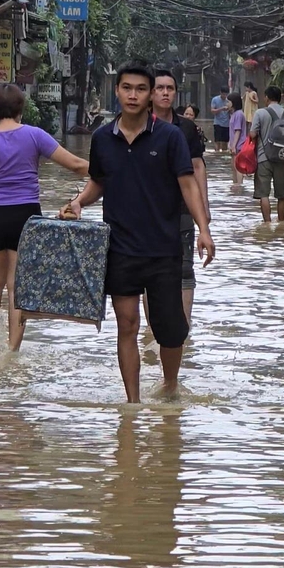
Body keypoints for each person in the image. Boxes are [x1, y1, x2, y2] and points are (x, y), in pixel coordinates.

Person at [60, 62, 215, 403]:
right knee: (127, 325)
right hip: (119, 248)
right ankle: (132, 404)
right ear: (117, 92)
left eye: (140, 89)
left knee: (170, 331)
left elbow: (187, 184)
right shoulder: (102, 138)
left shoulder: (170, 137)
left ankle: (170, 387)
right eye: (127, 88)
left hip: (163, 247)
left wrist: (204, 229)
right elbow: (98, 182)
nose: (133, 95)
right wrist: (78, 202)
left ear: (150, 96)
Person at [0, 81, 89, 352]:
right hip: (26, 217)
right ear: (21, 108)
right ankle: (12, 351)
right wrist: (112, 171)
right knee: (16, 285)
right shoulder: (35, 135)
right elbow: (78, 165)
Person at [153, 68, 210, 327]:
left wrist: (204, 212)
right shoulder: (140, 126)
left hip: (183, 208)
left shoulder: (187, 129)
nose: (165, 93)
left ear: (176, 93)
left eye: (170, 89)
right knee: (150, 272)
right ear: (151, 93)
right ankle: (153, 329)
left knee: (185, 268)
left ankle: (183, 328)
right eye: (160, 88)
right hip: (148, 210)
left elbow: (197, 167)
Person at [250, 84, 284, 223]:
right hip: (283, 158)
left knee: (264, 194)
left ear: (267, 98)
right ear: (280, 98)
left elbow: (252, 134)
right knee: (282, 195)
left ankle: (267, 224)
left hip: (263, 158)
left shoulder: (260, 113)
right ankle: (281, 222)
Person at [227, 91, 246, 185]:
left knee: (237, 167)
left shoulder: (238, 114)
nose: (227, 104)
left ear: (233, 102)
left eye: (228, 102)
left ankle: (239, 185)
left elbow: (237, 131)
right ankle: (235, 184)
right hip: (234, 144)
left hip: (238, 145)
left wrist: (234, 145)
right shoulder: (234, 114)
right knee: (233, 166)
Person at [210, 86, 231, 153]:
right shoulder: (215, 99)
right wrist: (221, 109)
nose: (225, 96)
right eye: (223, 94)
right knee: (217, 141)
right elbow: (212, 111)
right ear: (220, 93)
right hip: (217, 123)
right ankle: (217, 154)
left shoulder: (229, 100)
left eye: (226, 94)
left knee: (225, 142)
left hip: (227, 124)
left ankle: (223, 156)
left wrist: (229, 109)